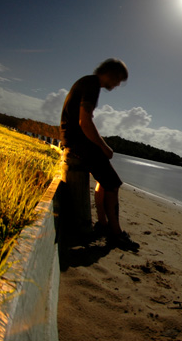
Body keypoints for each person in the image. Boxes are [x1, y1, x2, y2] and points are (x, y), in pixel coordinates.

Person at [60, 58, 139, 251]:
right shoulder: (92, 85)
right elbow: (84, 122)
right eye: (118, 79)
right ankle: (116, 233)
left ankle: (103, 224)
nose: (117, 84)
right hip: (78, 144)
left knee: (104, 181)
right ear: (110, 73)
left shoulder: (86, 82)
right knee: (113, 184)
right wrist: (104, 147)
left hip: (72, 141)